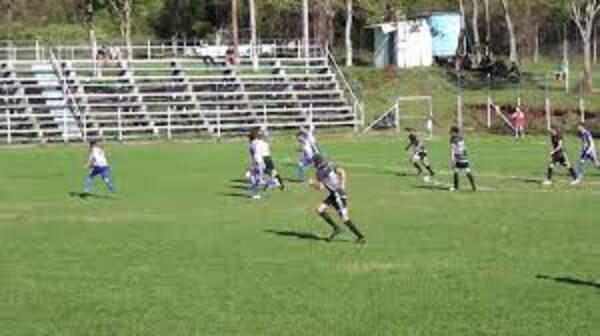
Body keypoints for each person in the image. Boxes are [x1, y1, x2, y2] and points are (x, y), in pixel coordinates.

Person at [309, 154, 365, 244]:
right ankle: (336, 228)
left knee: (345, 218)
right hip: (334, 194)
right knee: (319, 209)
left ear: (317, 163)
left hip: (338, 196)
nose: (313, 164)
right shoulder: (329, 166)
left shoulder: (319, 173)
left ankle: (360, 237)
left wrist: (312, 184)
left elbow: (321, 187)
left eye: (314, 162)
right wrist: (342, 185)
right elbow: (342, 171)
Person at [449, 127, 477, 192]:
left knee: (456, 171)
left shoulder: (453, 139)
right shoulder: (461, 137)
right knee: (467, 171)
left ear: (454, 132)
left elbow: (452, 150)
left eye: (451, 132)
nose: (450, 133)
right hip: (464, 157)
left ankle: (456, 187)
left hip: (459, 158)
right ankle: (474, 187)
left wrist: (452, 160)